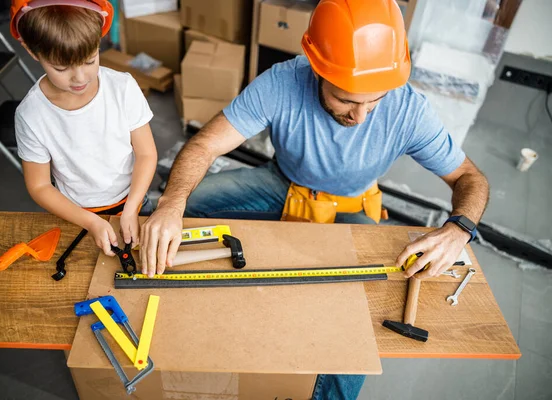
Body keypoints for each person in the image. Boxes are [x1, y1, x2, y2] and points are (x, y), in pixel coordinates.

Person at [145, 0, 489, 398]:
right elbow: (205, 145)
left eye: (372, 102)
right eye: (346, 100)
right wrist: (172, 205)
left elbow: (469, 176)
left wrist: (457, 230)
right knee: (175, 205)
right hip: (283, 184)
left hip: (352, 208)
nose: (360, 117)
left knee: (359, 321)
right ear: (317, 68)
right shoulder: (281, 83)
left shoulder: (409, 110)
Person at [10, 0, 157, 255]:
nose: (80, 77)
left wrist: (132, 208)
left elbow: (146, 153)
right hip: (77, 213)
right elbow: (40, 186)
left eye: (90, 60)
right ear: (33, 52)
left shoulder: (122, 88)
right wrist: (90, 222)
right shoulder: (31, 115)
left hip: (134, 199)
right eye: (61, 68)